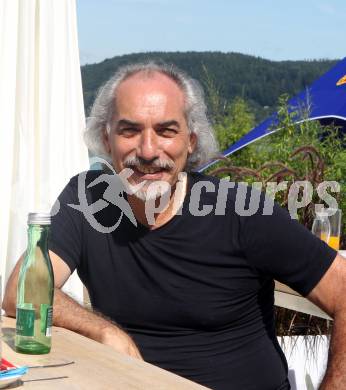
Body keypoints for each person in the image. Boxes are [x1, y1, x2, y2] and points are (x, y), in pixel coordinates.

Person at [3, 62, 346, 390]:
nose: (149, 150)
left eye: (166, 131)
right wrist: (105, 332)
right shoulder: (88, 199)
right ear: (106, 140)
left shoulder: (242, 210)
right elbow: (21, 292)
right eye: (130, 130)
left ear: (191, 141)